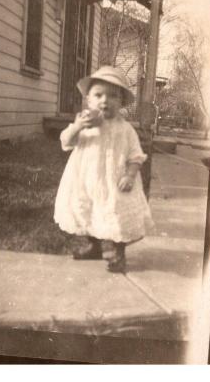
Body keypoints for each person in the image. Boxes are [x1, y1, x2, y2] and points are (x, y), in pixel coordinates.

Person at [54, 66, 153, 273]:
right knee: (88, 212)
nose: (105, 101)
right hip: (86, 180)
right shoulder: (84, 123)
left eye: (113, 96)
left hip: (115, 182)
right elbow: (66, 141)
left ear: (122, 103)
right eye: (98, 95)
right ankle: (94, 247)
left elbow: (136, 155)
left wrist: (130, 174)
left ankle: (118, 254)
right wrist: (77, 126)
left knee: (116, 215)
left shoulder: (125, 129)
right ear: (88, 100)